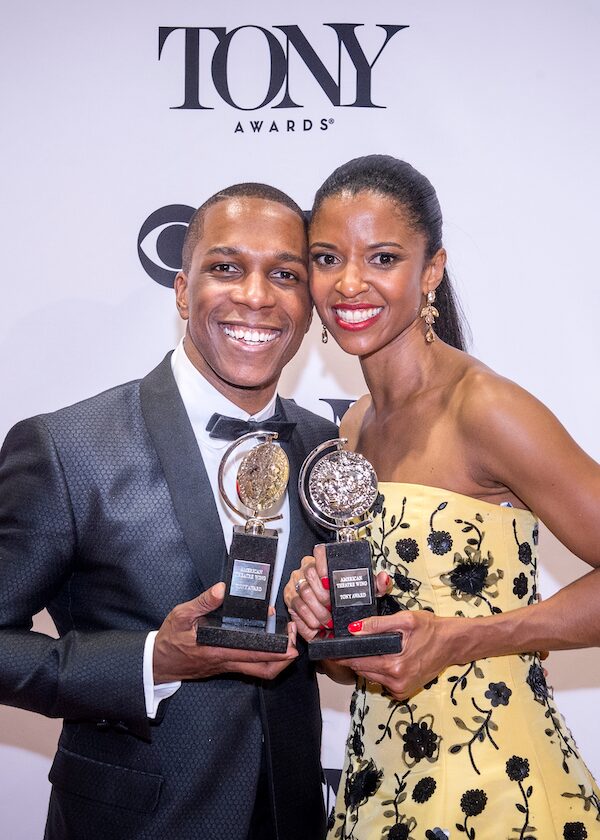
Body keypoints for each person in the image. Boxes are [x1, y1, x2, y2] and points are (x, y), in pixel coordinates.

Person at [0, 183, 337, 840]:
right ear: (183, 290)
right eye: (226, 267)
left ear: (308, 301)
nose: (256, 295)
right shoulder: (66, 447)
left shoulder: (325, 448)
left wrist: (341, 619)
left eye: (285, 274)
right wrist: (153, 660)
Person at [285, 155, 600, 839]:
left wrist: (467, 639)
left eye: (384, 257)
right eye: (327, 257)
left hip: (494, 786)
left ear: (431, 271)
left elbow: (444, 640)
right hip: (378, 789)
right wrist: (326, 619)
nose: (350, 282)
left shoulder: (485, 409)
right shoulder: (354, 427)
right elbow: (356, 665)